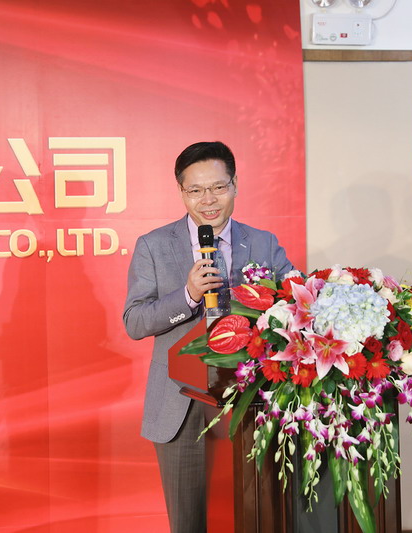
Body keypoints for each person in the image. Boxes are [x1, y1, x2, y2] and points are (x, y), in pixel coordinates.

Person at [123, 141, 294, 532]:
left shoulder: (263, 243)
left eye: (218, 187)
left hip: (253, 399)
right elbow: (135, 322)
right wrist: (187, 295)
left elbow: (294, 303)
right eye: (196, 190)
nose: (208, 200)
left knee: (254, 516)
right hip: (181, 402)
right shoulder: (154, 245)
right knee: (189, 521)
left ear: (235, 185)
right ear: (181, 192)